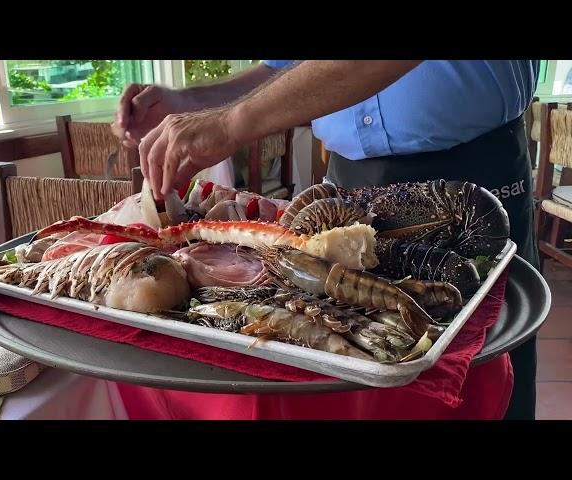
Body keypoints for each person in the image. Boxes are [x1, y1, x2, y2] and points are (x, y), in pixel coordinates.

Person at [112, 60, 540, 420]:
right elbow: (289, 68)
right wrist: (194, 102)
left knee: (475, 374)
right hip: (346, 182)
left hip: (472, 184)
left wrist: (229, 123)